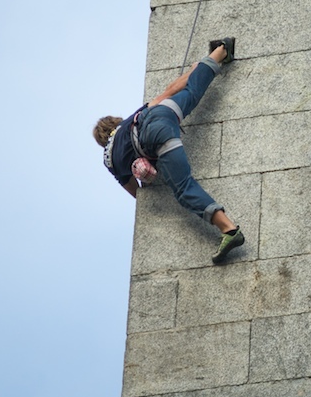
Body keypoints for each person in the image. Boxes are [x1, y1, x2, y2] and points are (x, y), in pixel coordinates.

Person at [93, 38, 245, 264]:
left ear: (102, 142)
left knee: (184, 188)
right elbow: (170, 90)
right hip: (162, 113)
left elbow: (138, 193)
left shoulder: (109, 160)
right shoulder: (128, 122)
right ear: (116, 123)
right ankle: (220, 52)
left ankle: (229, 230)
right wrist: (194, 70)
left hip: (155, 138)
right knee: (193, 92)